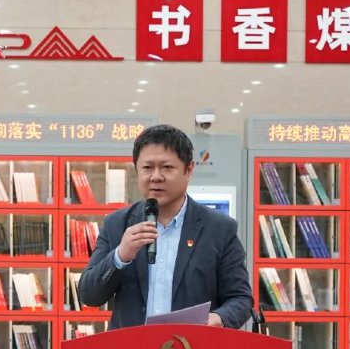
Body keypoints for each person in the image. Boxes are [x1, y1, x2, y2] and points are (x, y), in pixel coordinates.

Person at [78, 124, 253, 330]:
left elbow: (241, 299)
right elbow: (89, 295)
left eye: (167, 167)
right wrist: (119, 257)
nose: (156, 176)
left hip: (191, 347)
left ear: (189, 170)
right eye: (147, 168)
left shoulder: (219, 229)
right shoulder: (117, 224)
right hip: (133, 347)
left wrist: (220, 317)